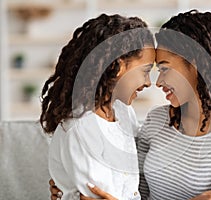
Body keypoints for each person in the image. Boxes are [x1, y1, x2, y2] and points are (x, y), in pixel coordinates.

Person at [50, 10, 211, 200]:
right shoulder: (157, 120)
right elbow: (132, 191)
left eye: (164, 69)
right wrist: (67, 188)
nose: (157, 81)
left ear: (197, 66)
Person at [40, 13, 155, 200]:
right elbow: (99, 196)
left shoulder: (123, 113)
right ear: (117, 67)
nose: (149, 82)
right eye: (145, 71)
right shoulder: (81, 127)